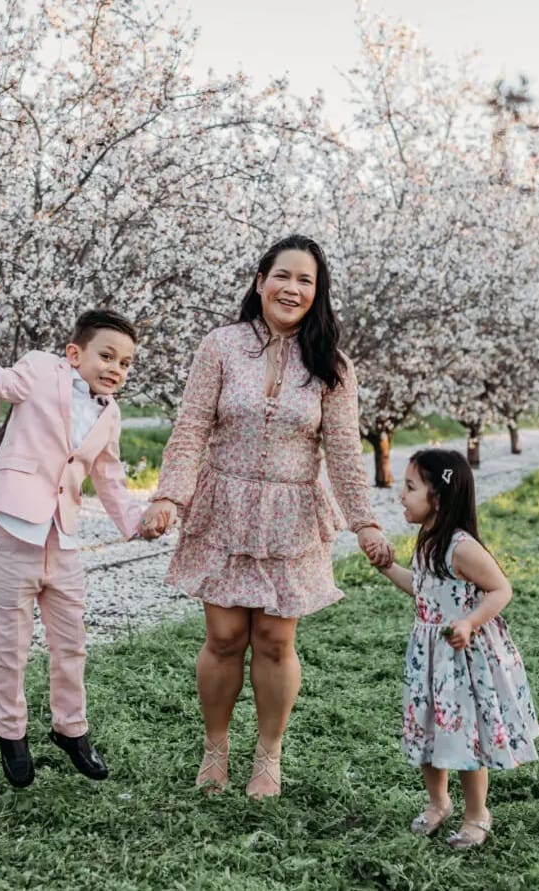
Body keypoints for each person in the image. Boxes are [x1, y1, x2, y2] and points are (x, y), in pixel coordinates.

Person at [141, 235, 392, 799]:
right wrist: (169, 497)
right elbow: (190, 431)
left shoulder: (332, 365)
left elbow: (346, 453)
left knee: (276, 639)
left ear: (317, 293)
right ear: (261, 282)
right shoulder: (222, 346)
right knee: (226, 635)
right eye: (284, 276)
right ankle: (215, 749)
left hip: (291, 511)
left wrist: (365, 522)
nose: (293, 288)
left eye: (306, 280)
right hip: (223, 504)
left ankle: (269, 755)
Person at [0, 283, 165, 788]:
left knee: (72, 646)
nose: (116, 367)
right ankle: (12, 734)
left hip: (64, 542)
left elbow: (110, 481)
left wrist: (136, 523)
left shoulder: (109, 414)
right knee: (12, 648)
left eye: (127, 362)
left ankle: (71, 729)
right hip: (14, 534)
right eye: (106, 355)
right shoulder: (40, 370)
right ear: (75, 353)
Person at [377, 448, 539, 848]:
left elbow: (501, 589)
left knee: (465, 736)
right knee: (430, 729)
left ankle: (476, 812)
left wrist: (468, 622)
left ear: (439, 498)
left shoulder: (462, 547)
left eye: (411, 487)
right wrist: (386, 567)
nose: (401, 495)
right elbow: (422, 589)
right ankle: (438, 803)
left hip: (462, 657)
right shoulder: (426, 539)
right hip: (429, 655)